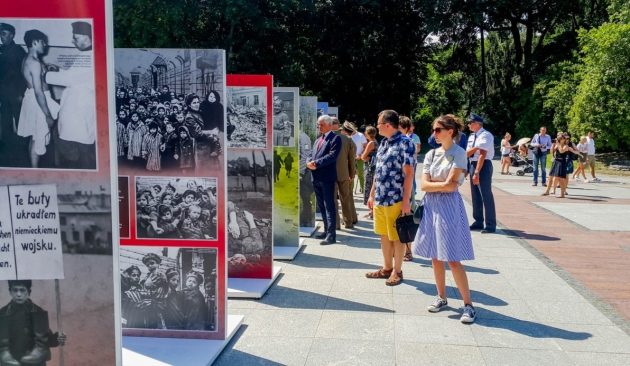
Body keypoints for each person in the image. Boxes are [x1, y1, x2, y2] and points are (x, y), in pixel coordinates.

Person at [413, 114, 476, 323]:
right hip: (432, 205)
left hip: (449, 206)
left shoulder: (459, 153)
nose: (434, 134)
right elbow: (424, 185)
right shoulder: (431, 154)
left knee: (453, 258)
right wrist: (443, 185)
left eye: (438, 130)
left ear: (451, 131)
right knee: (434, 255)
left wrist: (437, 185)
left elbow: (451, 186)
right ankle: (441, 296)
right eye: (433, 130)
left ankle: (468, 304)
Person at [365, 110, 415, 286]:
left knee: (396, 237)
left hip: (396, 198)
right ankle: (386, 268)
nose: (376, 126)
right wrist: (372, 194)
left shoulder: (405, 143)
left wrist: (407, 201)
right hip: (380, 198)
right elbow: (379, 172)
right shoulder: (384, 143)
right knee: (384, 235)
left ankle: (397, 271)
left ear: (387, 125)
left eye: (378, 123)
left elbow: (409, 174)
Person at [45, 21, 96, 169]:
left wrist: (45, 75)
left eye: (76, 37)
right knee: (81, 142)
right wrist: (57, 70)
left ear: (87, 37)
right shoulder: (87, 53)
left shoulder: (89, 55)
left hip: (79, 107)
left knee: (78, 145)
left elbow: (70, 79)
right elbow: (76, 76)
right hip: (80, 104)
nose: (72, 41)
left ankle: (78, 170)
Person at [17, 30, 60, 168]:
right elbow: (38, 92)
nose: (45, 44)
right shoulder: (34, 62)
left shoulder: (29, 60)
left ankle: (33, 169)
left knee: (35, 137)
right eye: (43, 41)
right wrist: (47, 115)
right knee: (38, 139)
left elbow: (36, 78)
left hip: (34, 100)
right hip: (38, 102)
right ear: (35, 42)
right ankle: (35, 173)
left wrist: (46, 69)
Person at [0, 280, 66, 366]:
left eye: (22, 290)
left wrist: (58, 338)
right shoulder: (2, 313)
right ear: (10, 291)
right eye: (15, 290)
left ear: (29, 292)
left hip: (35, 362)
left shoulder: (38, 312)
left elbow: (45, 341)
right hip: (11, 362)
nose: (18, 294)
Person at [307, 115, 341, 245]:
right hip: (315, 177)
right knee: (321, 206)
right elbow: (311, 154)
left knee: (329, 206)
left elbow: (332, 156)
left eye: (321, 124)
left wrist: (315, 163)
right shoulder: (318, 139)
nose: (319, 127)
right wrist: (308, 162)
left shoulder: (335, 138)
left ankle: (331, 235)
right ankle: (326, 230)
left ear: (329, 124)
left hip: (326, 178)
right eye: (318, 124)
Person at [466, 113, 496, 233]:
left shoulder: (486, 135)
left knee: (486, 195)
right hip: (473, 164)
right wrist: (470, 169)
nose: (468, 125)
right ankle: (478, 221)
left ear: (477, 124)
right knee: (475, 196)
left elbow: (482, 154)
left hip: (483, 165)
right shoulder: (472, 136)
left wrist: (477, 171)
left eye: (470, 123)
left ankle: (490, 224)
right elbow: (470, 153)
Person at [0, 23, 27, 147]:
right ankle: (7, 146)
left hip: (16, 93)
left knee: (20, 120)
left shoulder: (18, 51)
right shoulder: (3, 49)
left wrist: (21, 93)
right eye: (0, 34)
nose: (1, 36)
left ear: (12, 35)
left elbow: (24, 74)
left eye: (4, 34)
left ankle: (23, 147)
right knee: (5, 119)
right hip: (4, 93)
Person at [333, 118, 357, 229]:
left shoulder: (326, 138)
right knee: (346, 198)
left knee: (332, 200)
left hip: (330, 175)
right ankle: (348, 222)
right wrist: (352, 174)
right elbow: (352, 159)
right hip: (344, 174)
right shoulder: (347, 139)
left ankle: (336, 224)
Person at [542, 133, 582, 198]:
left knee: (560, 178)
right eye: (558, 139)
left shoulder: (566, 146)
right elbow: (552, 152)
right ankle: (547, 191)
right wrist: (553, 146)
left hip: (561, 162)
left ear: (563, 140)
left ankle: (562, 194)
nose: (559, 140)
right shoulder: (557, 145)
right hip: (555, 161)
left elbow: (561, 151)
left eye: (560, 139)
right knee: (550, 177)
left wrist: (558, 145)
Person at [361, 126, 378, 219]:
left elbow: (363, 156)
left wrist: (362, 156)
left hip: (370, 168)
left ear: (367, 133)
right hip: (374, 167)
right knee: (373, 187)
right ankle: (372, 211)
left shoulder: (371, 143)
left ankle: (372, 212)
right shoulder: (376, 141)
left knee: (369, 188)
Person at [348, 122, 367, 193]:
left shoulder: (360, 135)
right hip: (350, 158)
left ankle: (363, 188)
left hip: (360, 158)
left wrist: (361, 155)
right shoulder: (348, 136)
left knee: (361, 174)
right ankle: (350, 190)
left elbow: (366, 146)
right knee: (351, 174)